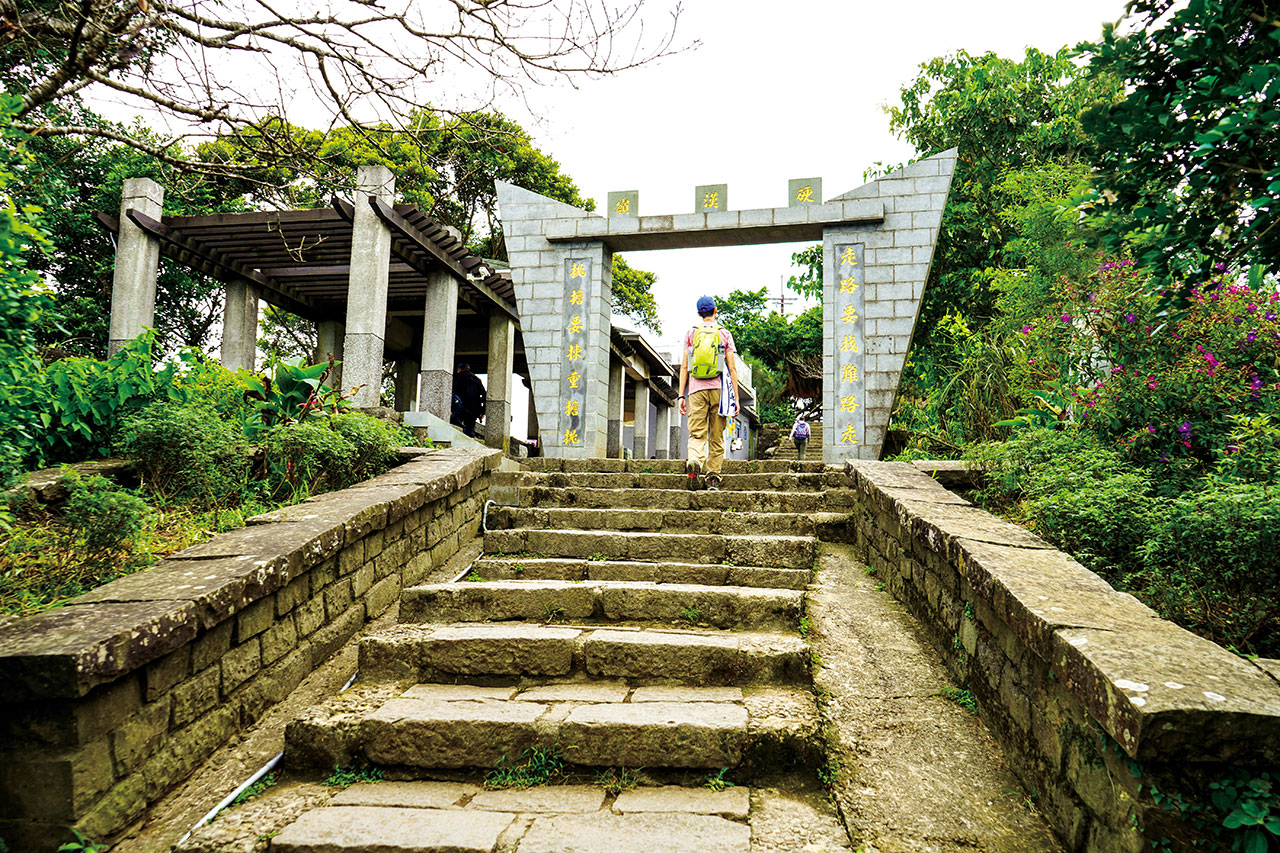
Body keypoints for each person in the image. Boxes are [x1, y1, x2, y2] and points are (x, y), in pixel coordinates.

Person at [678, 295, 740, 491]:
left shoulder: (691, 333)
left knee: (697, 433)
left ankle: (695, 460)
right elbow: (732, 368)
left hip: (696, 390)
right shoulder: (724, 334)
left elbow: (684, 367)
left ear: (699, 313)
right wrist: (735, 399)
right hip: (719, 391)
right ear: (715, 311)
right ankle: (713, 477)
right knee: (717, 435)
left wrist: (681, 395)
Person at [450, 362, 486, 437]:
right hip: (474, 409)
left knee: (455, 424)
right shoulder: (477, 380)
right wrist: (483, 411)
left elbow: (452, 390)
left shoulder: (457, 377)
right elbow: (484, 394)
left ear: (460, 369)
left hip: (460, 407)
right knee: (470, 429)